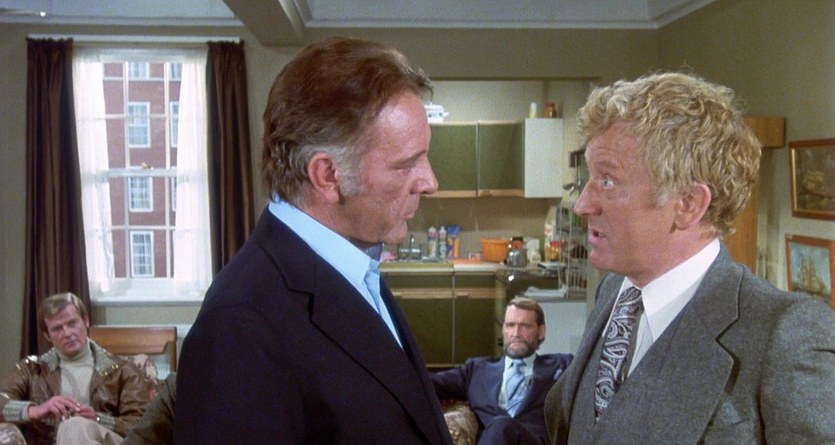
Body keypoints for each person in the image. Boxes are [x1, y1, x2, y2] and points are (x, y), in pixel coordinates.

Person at [173, 36, 452, 445]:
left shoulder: (353, 265)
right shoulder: (239, 327)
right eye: (406, 163)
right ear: (327, 176)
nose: (430, 182)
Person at [544, 71, 835, 444]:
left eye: (608, 180)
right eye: (590, 177)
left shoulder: (785, 335)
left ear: (688, 204)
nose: (583, 204)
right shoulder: (614, 291)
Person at [0, 292, 152, 445]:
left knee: (74, 426)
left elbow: (142, 425)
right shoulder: (32, 369)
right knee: (71, 426)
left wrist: (98, 419)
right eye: (57, 329)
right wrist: (35, 410)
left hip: (107, 440)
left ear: (86, 321)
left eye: (72, 323)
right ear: (47, 336)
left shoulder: (123, 370)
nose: (67, 333)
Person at [432, 297, 572, 445]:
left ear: (541, 331)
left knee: (503, 425)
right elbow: (428, 384)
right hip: (492, 439)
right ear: (503, 329)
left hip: (533, 441)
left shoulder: (562, 365)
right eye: (510, 325)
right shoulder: (477, 370)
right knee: (500, 426)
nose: (516, 333)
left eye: (525, 326)